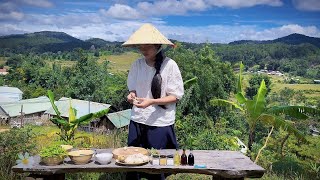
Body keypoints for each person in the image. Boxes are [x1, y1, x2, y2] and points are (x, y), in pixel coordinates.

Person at [123, 23, 184, 179]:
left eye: (147, 47)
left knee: (158, 166)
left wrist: (151, 102)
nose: (143, 50)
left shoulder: (170, 65)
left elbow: (175, 96)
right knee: (133, 162)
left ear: (157, 46)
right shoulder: (136, 64)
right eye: (141, 47)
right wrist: (131, 95)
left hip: (160, 122)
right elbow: (133, 89)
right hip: (138, 119)